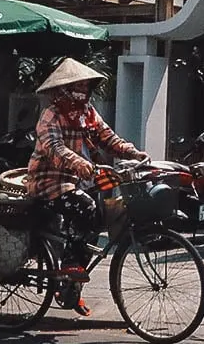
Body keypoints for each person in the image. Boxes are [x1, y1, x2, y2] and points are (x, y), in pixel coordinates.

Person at [26, 58, 148, 315]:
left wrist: (132, 152)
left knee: (96, 223)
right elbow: (54, 149)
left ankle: (70, 288)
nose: (82, 92)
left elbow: (107, 137)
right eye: (77, 87)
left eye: (85, 87)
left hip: (77, 181)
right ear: (63, 91)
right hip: (48, 182)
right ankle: (70, 265)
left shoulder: (87, 113)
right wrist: (79, 163)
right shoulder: (51, 115)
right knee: (85, 207)